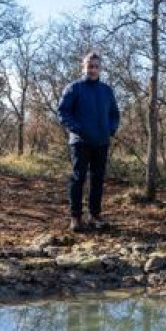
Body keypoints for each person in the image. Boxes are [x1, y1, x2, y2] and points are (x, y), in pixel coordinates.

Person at [57, 52, 120, 232]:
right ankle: (76, 217)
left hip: (101, 141)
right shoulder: (74, 88)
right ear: (83, 67)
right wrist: (78, 129)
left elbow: (114, 114)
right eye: (89, 66)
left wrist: (110, 130)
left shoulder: (107, 90)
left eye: (96, 66)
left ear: (100, 68)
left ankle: (94, 216)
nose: (93, 69)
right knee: (78, 178)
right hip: (80, 142)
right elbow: (63, 112)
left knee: (98, 179)